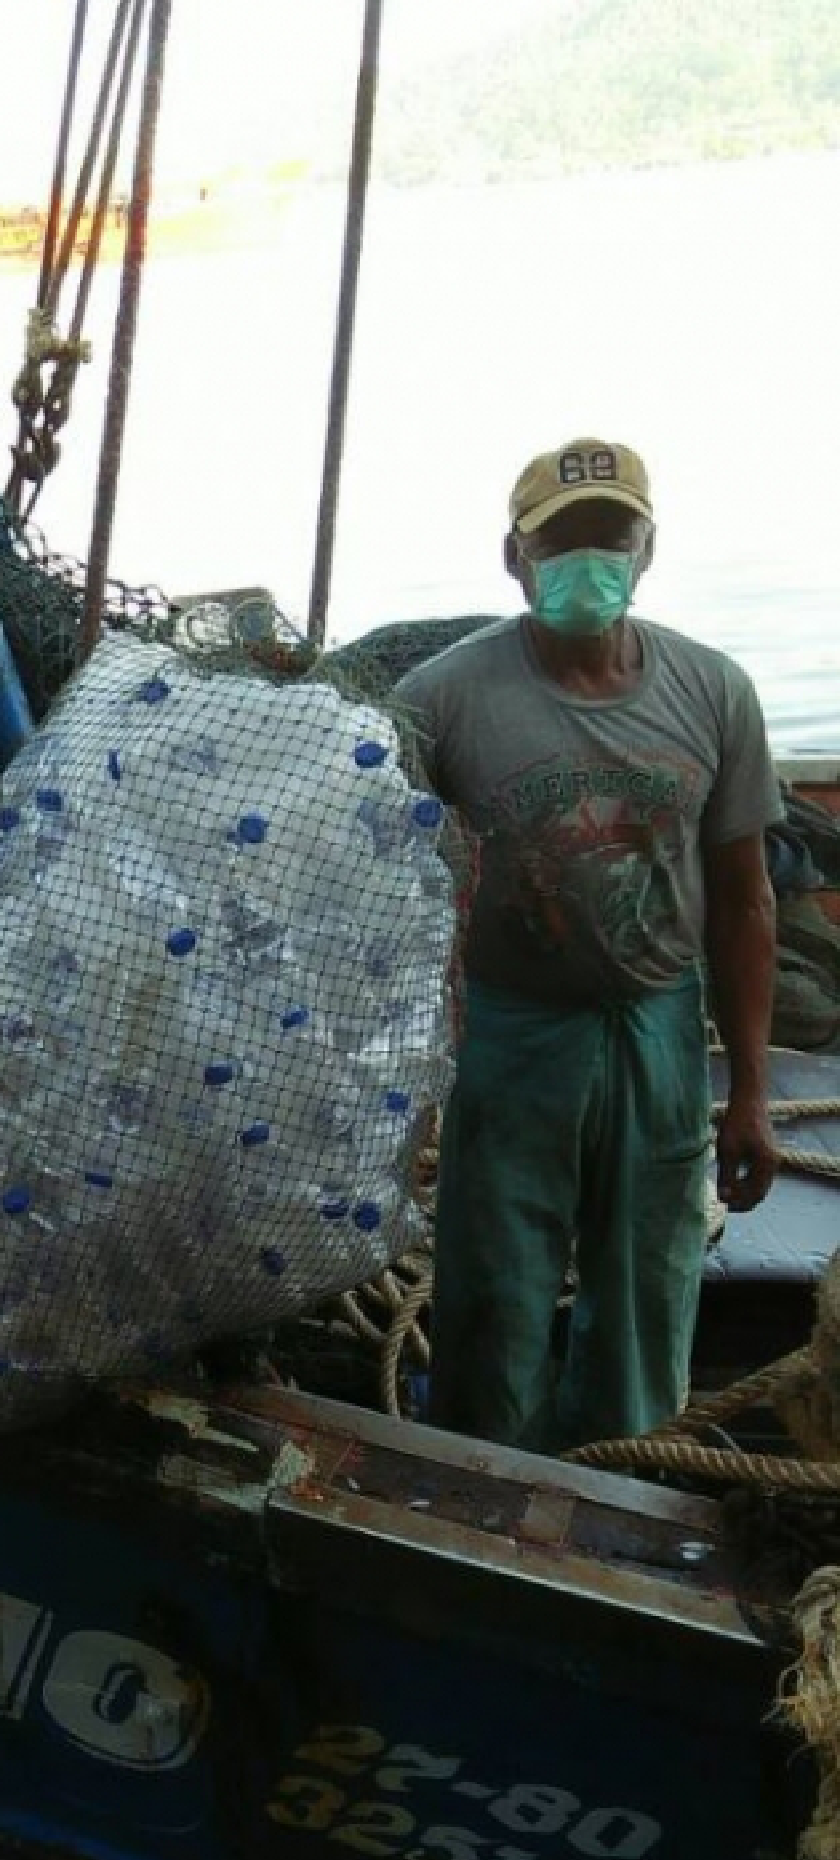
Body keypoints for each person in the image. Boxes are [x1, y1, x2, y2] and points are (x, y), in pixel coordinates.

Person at [393, 437, 781, 1452]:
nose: (588, 563)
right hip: (509, 1034)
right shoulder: (440, 701)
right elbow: (382, 897)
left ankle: (625, 1468)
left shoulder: (711, 691)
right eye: (560, 544)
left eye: (611, 539)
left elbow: (743, 903)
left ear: (647, 548)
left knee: (647, 1282)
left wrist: (745, 1090)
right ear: (512, 558)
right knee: (493, 1286)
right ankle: (482, 1481)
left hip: (656, 1028)